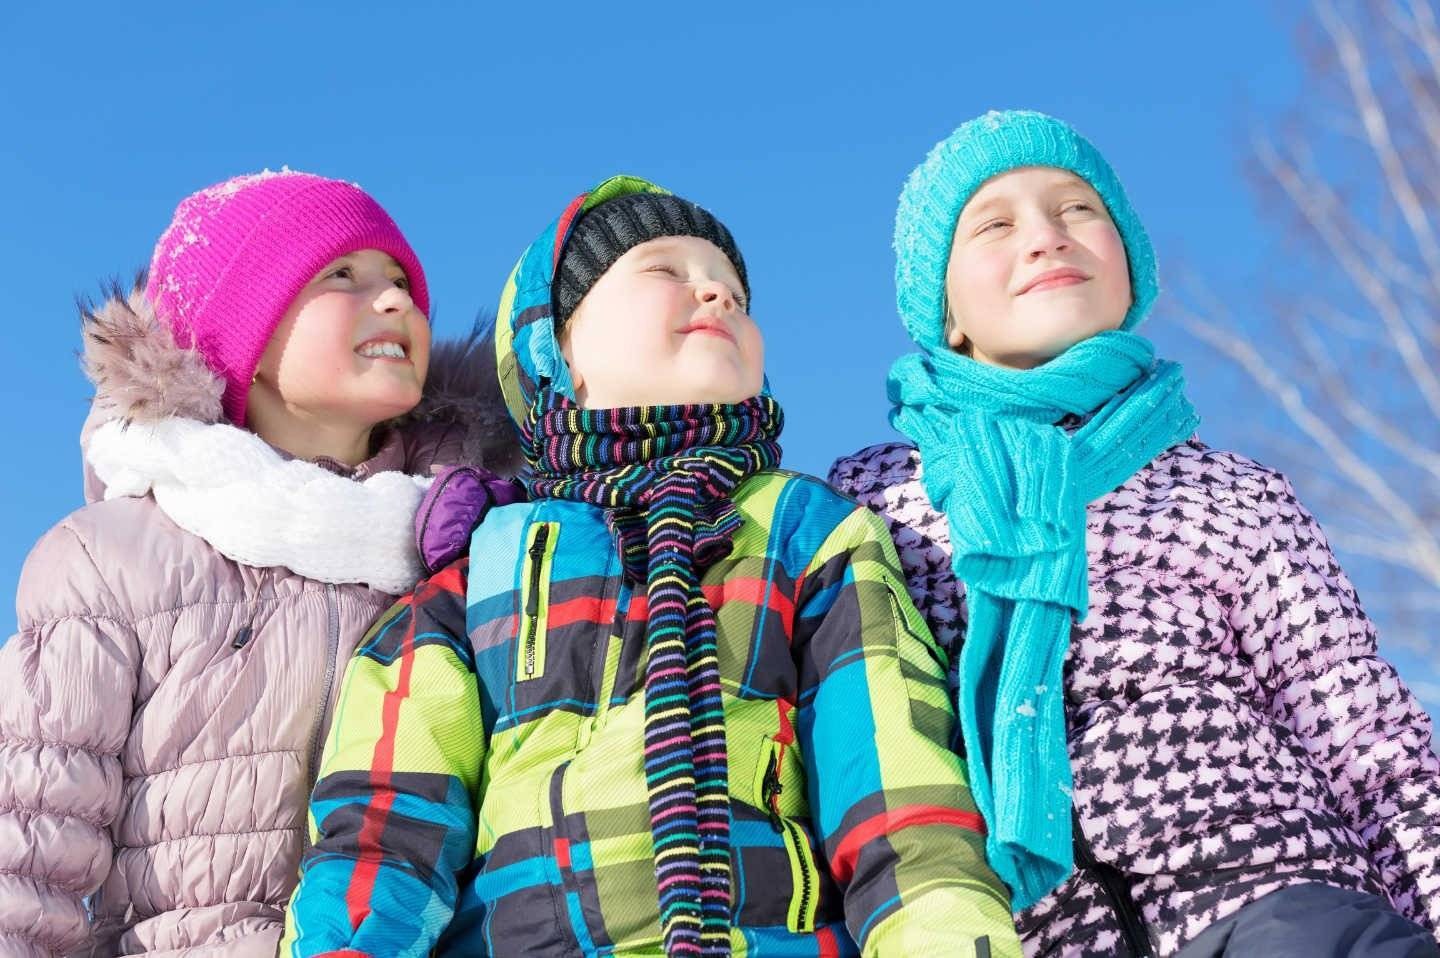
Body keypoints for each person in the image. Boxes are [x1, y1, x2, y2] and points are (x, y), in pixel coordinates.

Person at [281, 174, 1022, 957]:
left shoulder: (804, 533)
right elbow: (386, 830)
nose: (717, 295)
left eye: (737, 294)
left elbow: (901, 802)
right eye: (666, 270)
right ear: (558, 350)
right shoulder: (482, 571)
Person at [828, 109, 1440, 956]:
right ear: (946, 311)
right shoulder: (874, 502)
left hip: (1276, 897)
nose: (1045, 236)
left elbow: (1371, 748)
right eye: (994, 225)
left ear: (1130, 270)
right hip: (1033, 935)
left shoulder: (1230, 494)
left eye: (1078, 208)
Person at [0, 169, 516, 955]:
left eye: (401, 281)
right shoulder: (115, 559)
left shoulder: (472, 549)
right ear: (244, 326)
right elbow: (31, 843)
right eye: (342, 274)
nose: (393, 300)